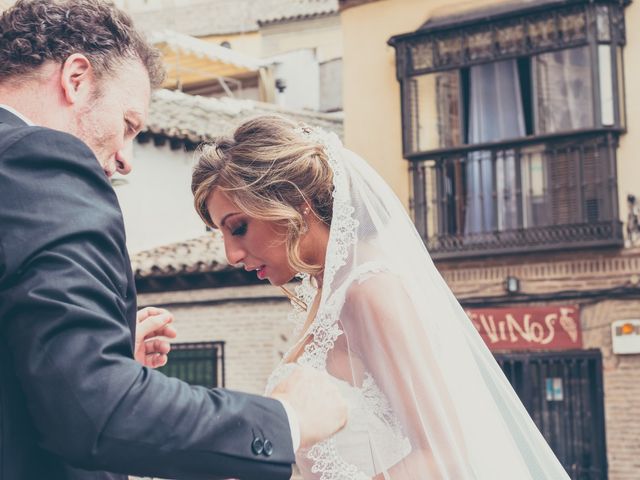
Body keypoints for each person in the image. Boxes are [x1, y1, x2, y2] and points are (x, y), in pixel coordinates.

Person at [0, 1, 347, 479]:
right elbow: (93, 413)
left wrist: (96, 352)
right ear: (75, 78)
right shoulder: (41, 163)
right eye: (128, 125)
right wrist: (287, 421)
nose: (125, 160)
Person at [192, 115, 574, 479]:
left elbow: (445, 457)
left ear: (294, 203)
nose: (231, 255)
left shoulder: (368, 291)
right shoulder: (327, 293)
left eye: (238, 228)